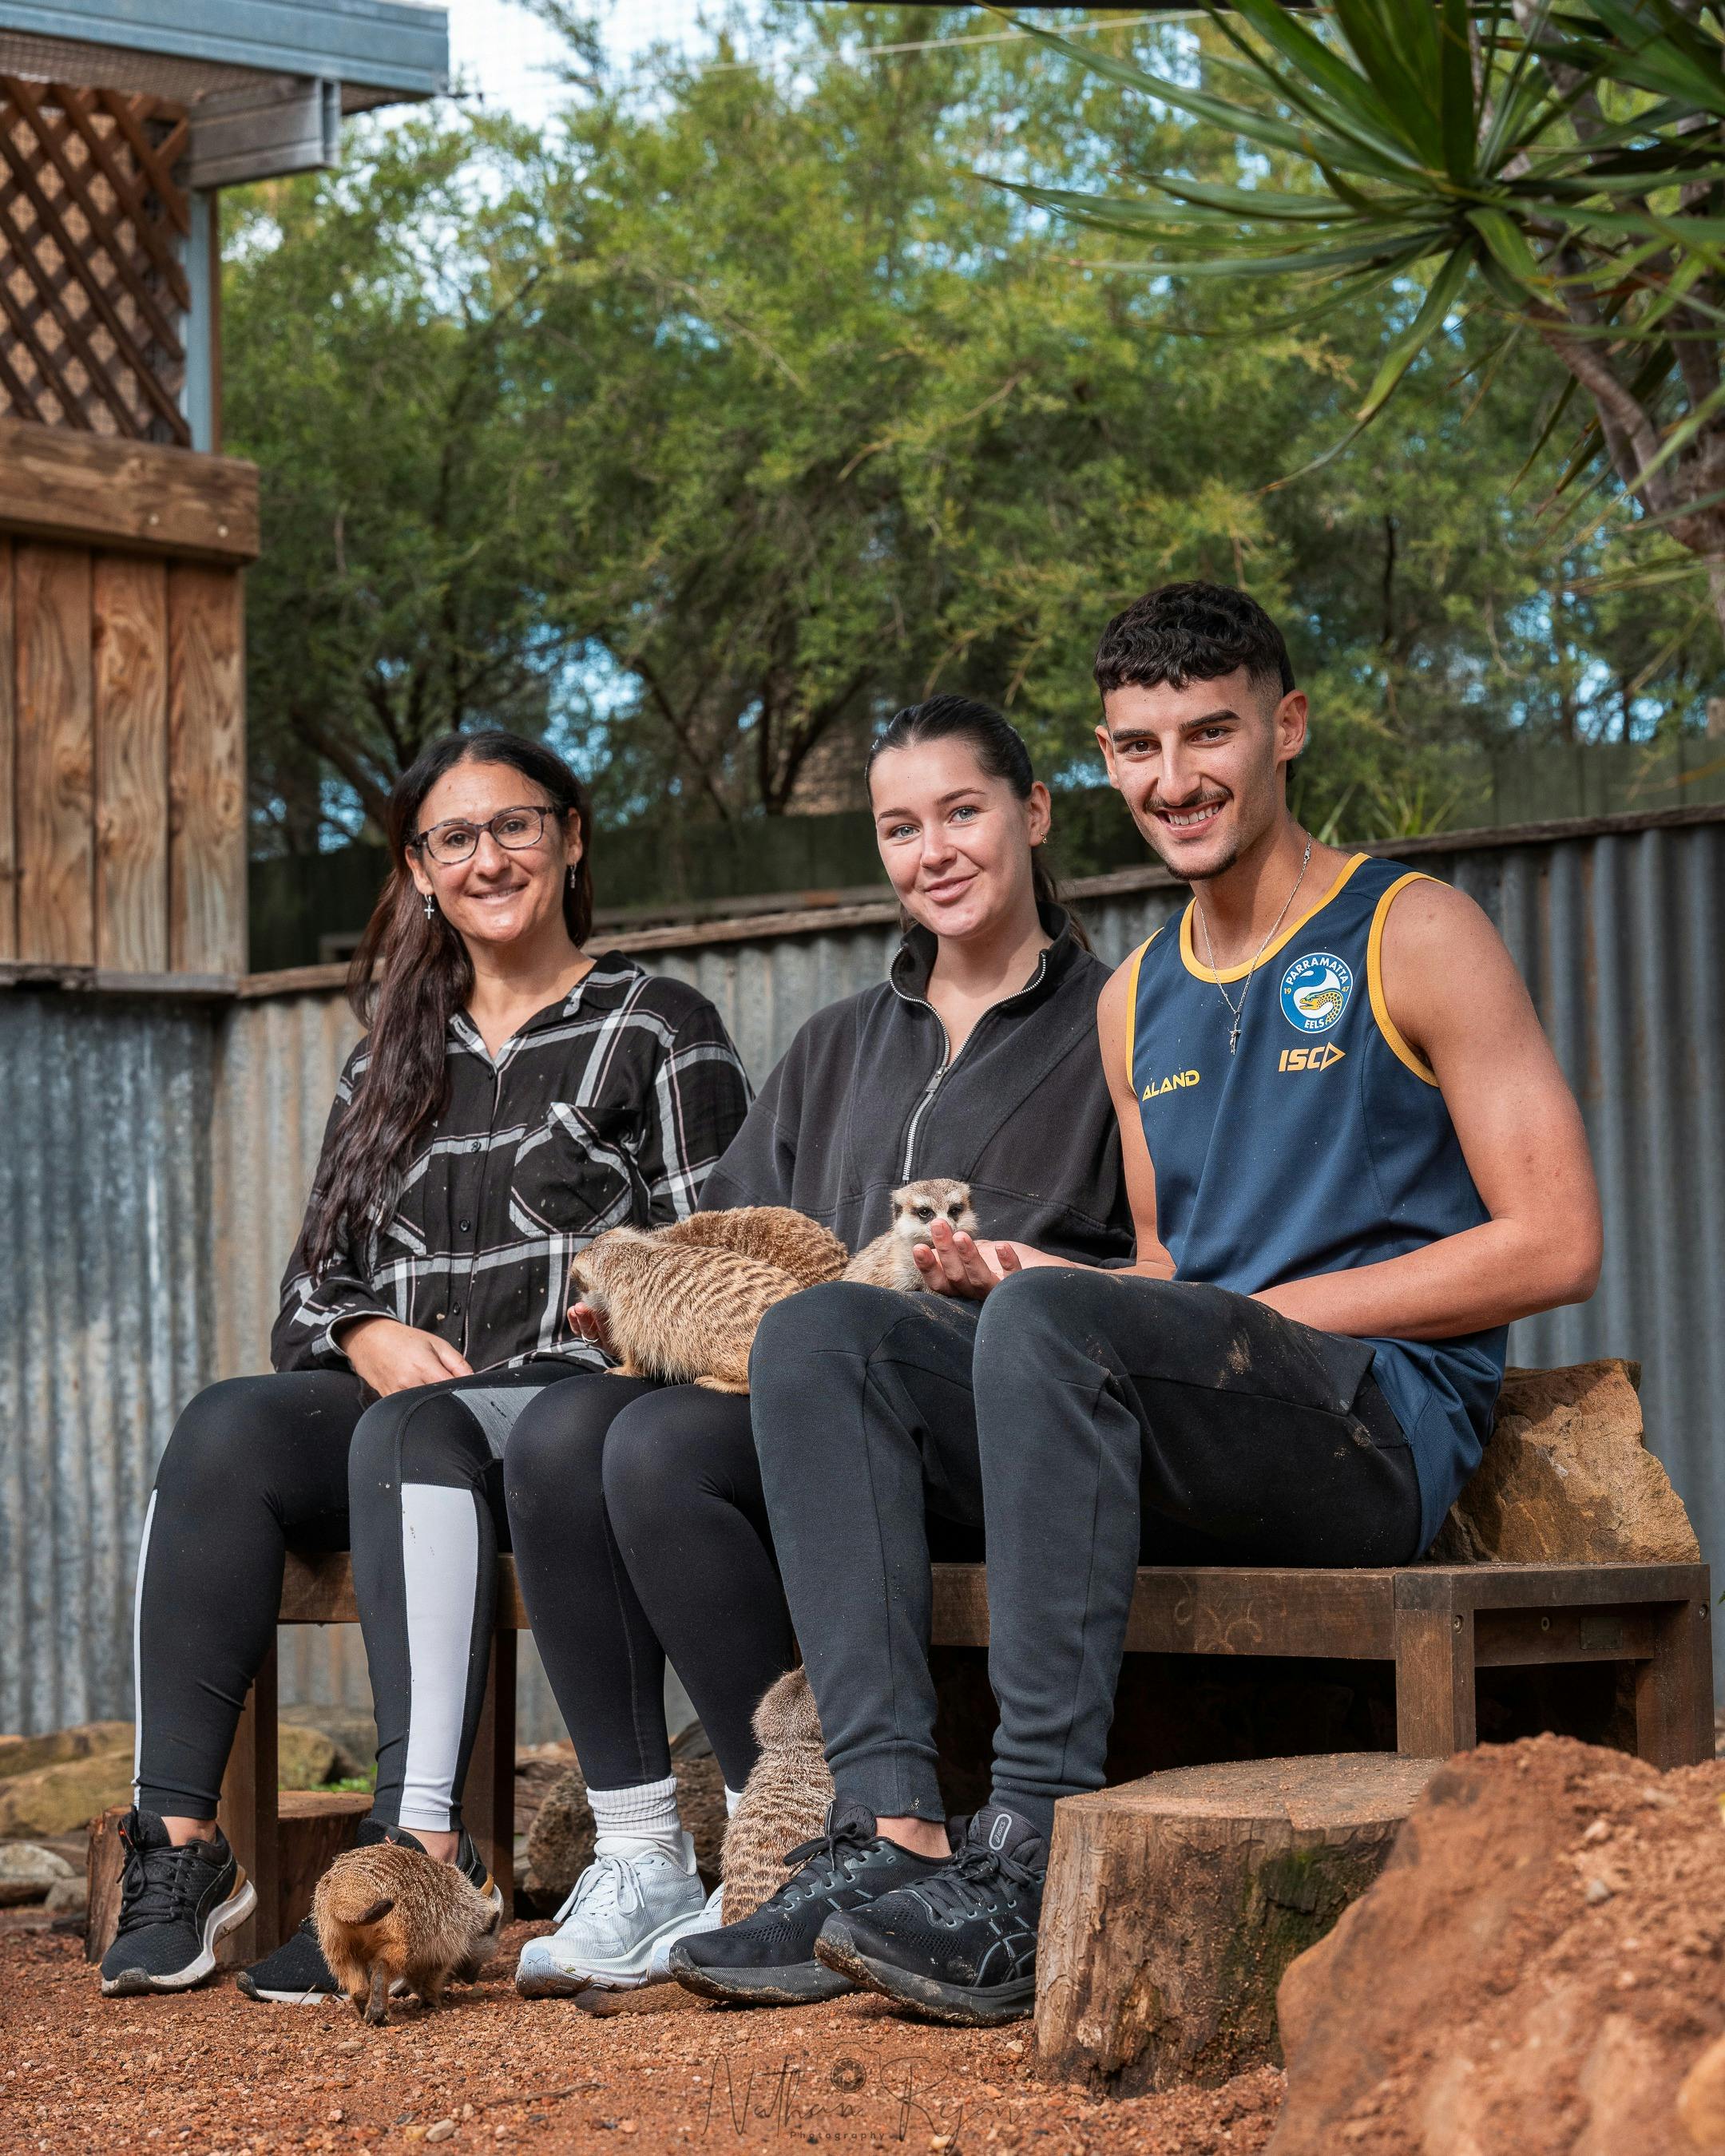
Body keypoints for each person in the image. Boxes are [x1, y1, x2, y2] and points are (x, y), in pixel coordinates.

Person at [676, 581, 1604, 2025]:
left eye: (1209, 733)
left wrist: (1259, 1314)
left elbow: (1557, 1241)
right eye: (1137, 745)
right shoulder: (1139, 998)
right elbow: (1175, 1281)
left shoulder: (1411, 931)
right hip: (1213, 1416)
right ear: (1102, 762)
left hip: (1376, 1433)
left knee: (1049, 1327)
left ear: (1285, 727)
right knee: (829, 1332)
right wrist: (1056, 1281)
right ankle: (885, 1832)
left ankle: (1032, 1850)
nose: (1174, 779)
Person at [99, 730, 749, 2001]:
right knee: (224, 1426)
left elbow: (715, 1262)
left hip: (569, 1420)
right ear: (419, 867)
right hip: (398, 1407)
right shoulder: (387, 1055)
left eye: (515, 825)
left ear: (571, 838)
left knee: (412, 1434)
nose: (488, 857)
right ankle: (178, 1856)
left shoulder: (656, 1025)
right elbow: (308, 1285)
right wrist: (360, 1333)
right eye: (455, 837)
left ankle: (418, 1861)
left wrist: (624, 1319)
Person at [502, 693, 1133, 1995]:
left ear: (1036, 813)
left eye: (963, 812)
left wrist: (1005, 1272)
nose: (933, 852)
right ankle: (710, 1835)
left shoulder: (1119, 1021)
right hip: (818, 1408)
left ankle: (825, 1822)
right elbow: (743, 1227)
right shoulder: (840, 1041)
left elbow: (1159, 1281)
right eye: (901, 828)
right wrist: (639, 1296)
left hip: (1000, 1426)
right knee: (573, 1429)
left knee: (664, 1449)